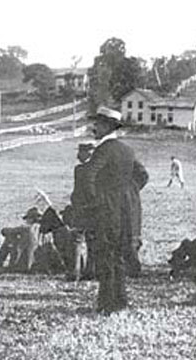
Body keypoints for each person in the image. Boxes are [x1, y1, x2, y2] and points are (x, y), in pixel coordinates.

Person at [83, 106, 148, 314]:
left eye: (98, 124)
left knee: (105, 255)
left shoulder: (103, 149)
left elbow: (88, 176)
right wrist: (128, 193)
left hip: (107, 210)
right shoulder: (127, 150)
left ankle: (106, 304)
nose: (94, 127)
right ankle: (120, 302)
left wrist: (97, 201)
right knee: (119, 255)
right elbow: (143, 175)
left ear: (107, 126)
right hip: (125, 211)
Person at [70, 142, 97, 278]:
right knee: (92, 240)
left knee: (77, 240)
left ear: (87, 153)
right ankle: (90, 271)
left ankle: (75, 271)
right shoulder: (99, 169)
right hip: (94, 208)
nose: (78, 155)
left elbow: (77, 191)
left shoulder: (79, 169)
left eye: (80, 152)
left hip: (81, 209)